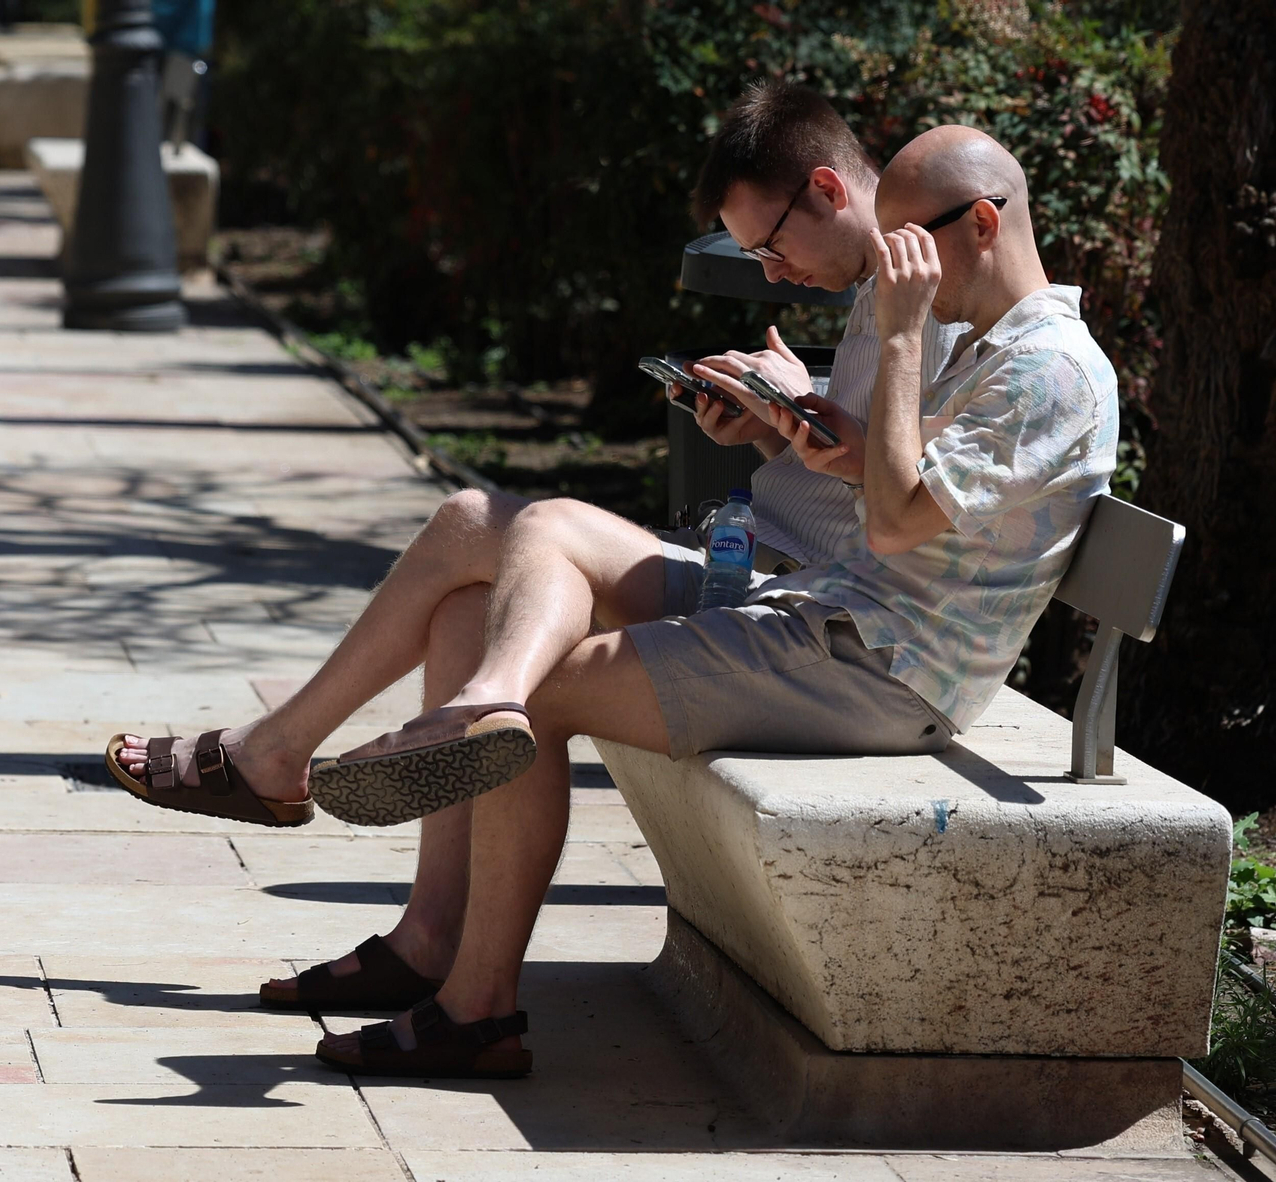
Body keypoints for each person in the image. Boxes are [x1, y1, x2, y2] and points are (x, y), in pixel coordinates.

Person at [286, 122, 1118, 1077]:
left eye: (906, 244)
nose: (895, 268)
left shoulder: (1048, 369)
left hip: (882, 668)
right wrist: (800, 429)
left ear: (981, 223)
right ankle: (475, 732)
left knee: (540, 695)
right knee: (533, 539)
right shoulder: (992, 347)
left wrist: (897, 335)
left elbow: (894, 524)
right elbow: (899, 481)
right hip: (829, 614)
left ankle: (476, 1011)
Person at [104, 83, 957, 1009]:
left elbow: (907, 507)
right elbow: (859, 472)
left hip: (816, 616)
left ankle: (317, 763)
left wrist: (813, 424)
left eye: (772, 246)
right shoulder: (877, 289)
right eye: (758, 255)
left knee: (515, 607)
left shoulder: (929, 304)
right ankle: (421, 929)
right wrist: (776, 419)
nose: (773, 272)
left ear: (827, 189)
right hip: (762, 574)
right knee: (470, 548)